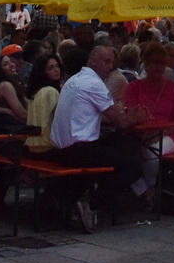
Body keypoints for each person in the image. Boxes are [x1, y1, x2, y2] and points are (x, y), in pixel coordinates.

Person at [49, 45, 147, 231]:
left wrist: (127, 115)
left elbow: (99, 114)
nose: (110, 66)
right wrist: (138, 117)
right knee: (133, 166)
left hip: (61, 148)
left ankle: (70, 196)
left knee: (116, 144)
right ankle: (92, 205)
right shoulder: (94, 83)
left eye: (112, 62)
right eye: (106, 61)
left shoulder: (74, 80)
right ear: (92, 61)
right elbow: (120, 122)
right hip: (77, 149)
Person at [123, 42, 174, 208]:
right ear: (146, 64)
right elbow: (132, 112)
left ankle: (149, 188)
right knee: (122, 155)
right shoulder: (133, 87)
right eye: (155, 62)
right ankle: (145, 191)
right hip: (139, 134)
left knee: (151, 154)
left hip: (168, 134)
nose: (159, 67)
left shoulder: (173, 89)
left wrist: (161, 134)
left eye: (162, 63)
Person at [21, 52, 64, 153]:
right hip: (48, 146)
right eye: (51, 68)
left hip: (32, 146)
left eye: (57, 66)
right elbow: (60, 120)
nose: (56, 70)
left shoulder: (35, 93)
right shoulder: (51, 91)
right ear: (42, 72)